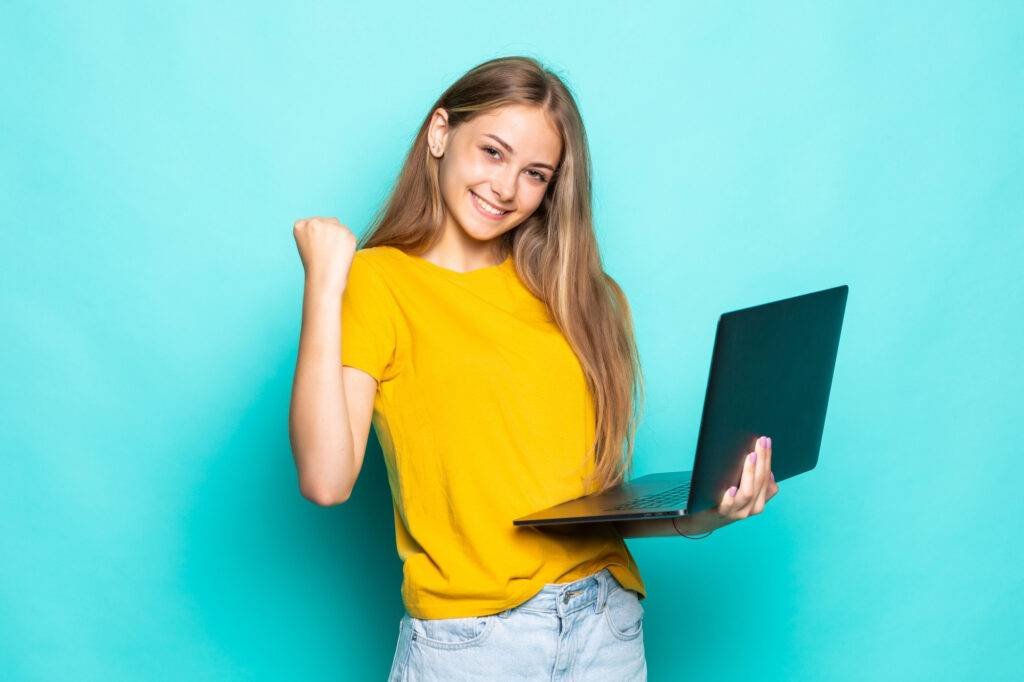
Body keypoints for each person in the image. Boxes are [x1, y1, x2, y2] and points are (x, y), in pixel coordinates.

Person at [289, 55, 780, 681]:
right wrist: (324, 288)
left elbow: (584, 508)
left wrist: (712, 510)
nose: (506, 188)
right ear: (441, 134)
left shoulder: (585, 298)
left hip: (607, 625)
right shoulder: (379, 284)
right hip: (475, 644)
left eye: (535, 174)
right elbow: (326, 480)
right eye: (492, 152)